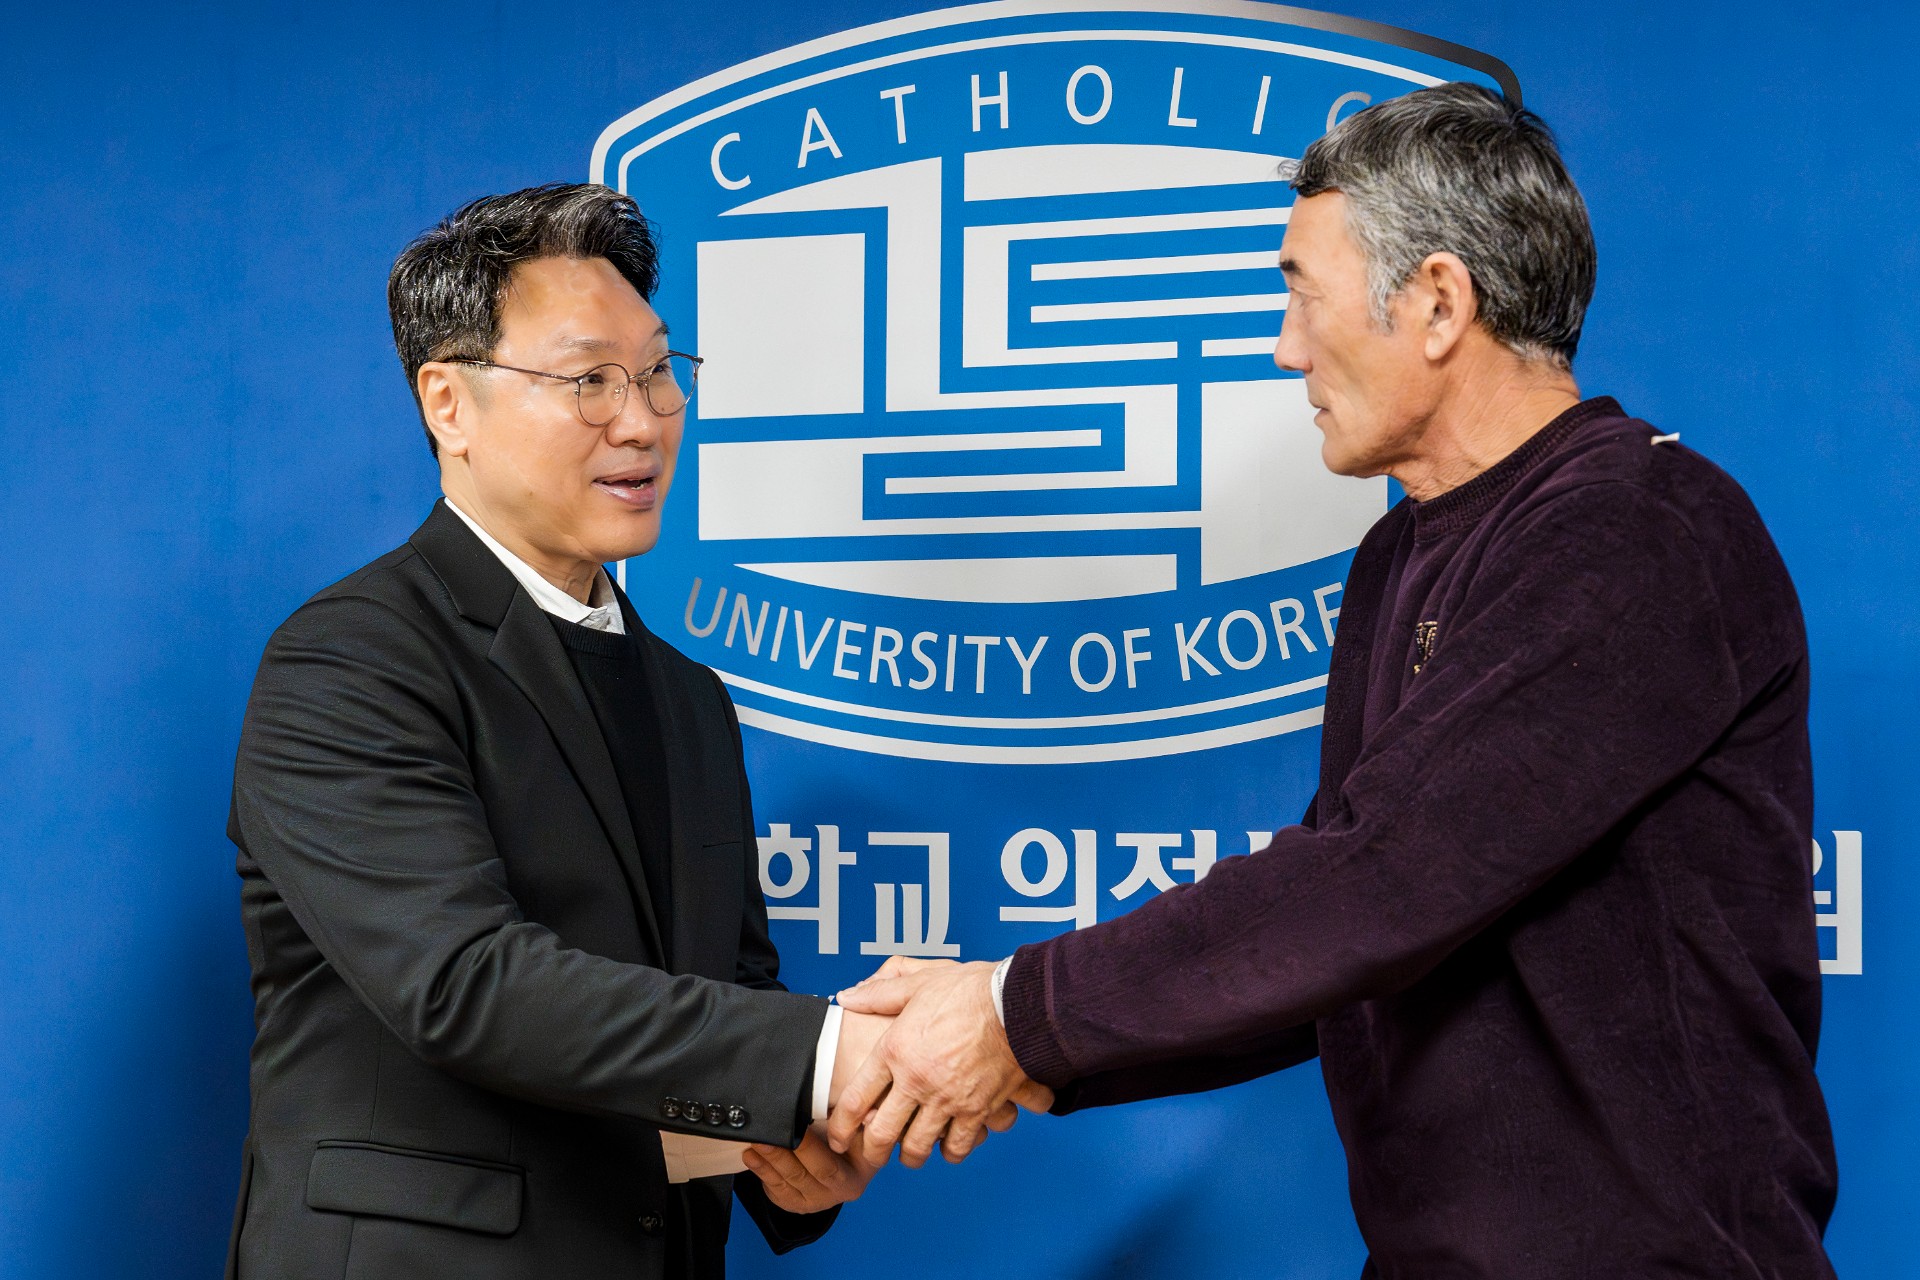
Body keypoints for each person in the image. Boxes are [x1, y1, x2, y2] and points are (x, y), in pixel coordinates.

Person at [832, 83, 1840, 1278]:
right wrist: (1029, 1053)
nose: (1285, 346)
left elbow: (1382, 879)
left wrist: (1014, 1015)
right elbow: (1330, 941)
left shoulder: (1639, 528)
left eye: (1303, 294)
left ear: (1438, 303)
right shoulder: (1400, 552)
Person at [224, 183, 977, 1280]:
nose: (641, 420)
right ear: (449, 403)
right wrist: (823, 1055)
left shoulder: (690, 698)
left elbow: (729, 986)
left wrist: (785, 1138)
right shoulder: (350, 659)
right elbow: (466, 983)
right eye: (589, 381)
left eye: (659, 372)